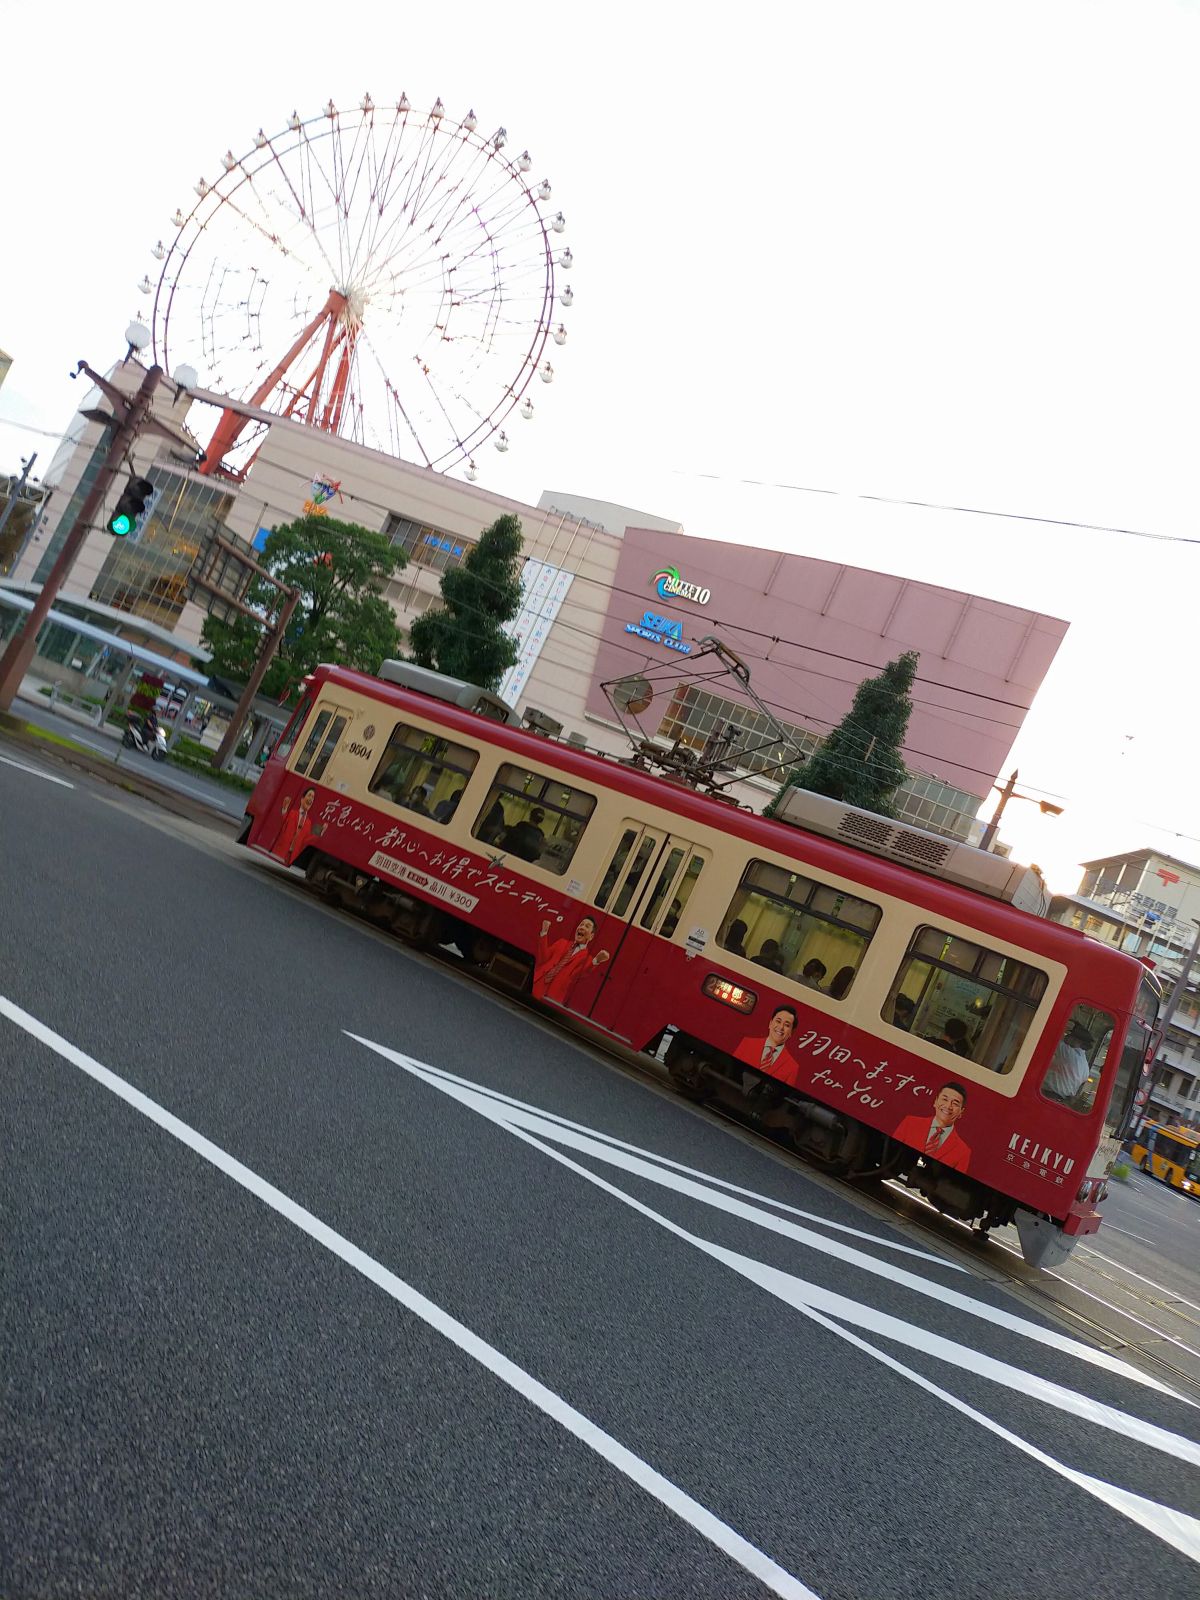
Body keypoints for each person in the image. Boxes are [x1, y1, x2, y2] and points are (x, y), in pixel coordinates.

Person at [532, 916, 610, 1005]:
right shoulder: (561, 942)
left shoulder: (587, 959)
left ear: (591, 936)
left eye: (587, 926)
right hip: (537, 984)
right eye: (581, 924)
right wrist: (544, 932)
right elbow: (543, 959)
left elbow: (579, 974)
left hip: (552, 995)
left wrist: (597, 960)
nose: (582, 927)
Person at [895, 1083, 971, 1172]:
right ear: (935, 1101)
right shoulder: (910, 1123)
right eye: (945, 1099)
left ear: (961, 1112)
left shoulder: (963, 1151)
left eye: (955, 1103)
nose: (948, 1106)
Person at [734, 1004, 799, 1075]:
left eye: (787, 1025)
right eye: (778, 1021)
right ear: (770, 1023)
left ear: (791, 1032)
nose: (781, 1027)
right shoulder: (747, 1043)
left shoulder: (792, 1067)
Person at [1043, 1021, 1092, 1104]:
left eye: (1070, 1035)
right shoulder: (1085, 1067)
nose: (1067, 1036)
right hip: (1060, 1100)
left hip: (1048, 1095)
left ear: (1076, 1040)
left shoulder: (1069, 1053)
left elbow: (1049, 1037)